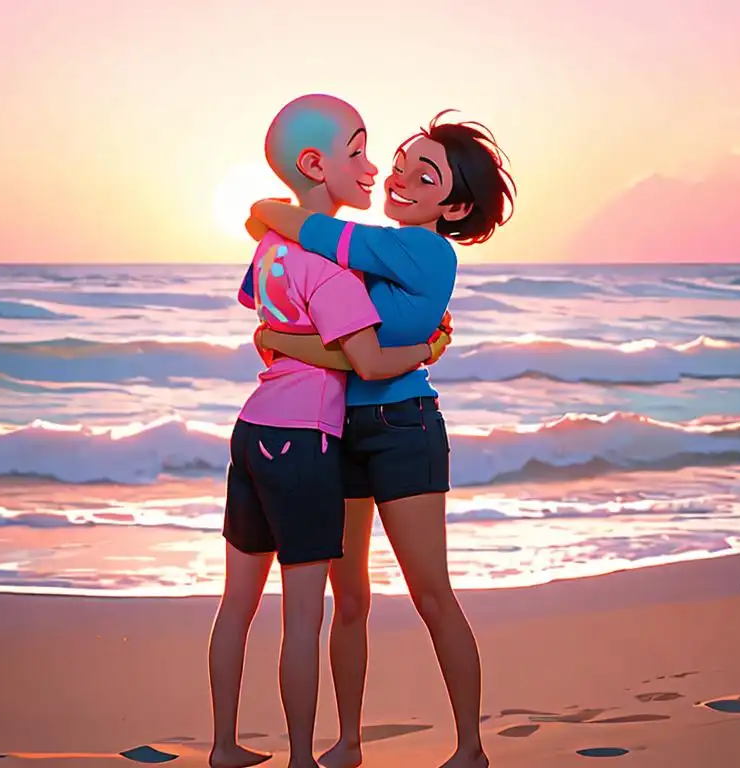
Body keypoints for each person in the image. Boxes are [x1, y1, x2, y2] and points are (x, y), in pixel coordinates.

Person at [243, 111, 516, 768]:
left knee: (431, 594)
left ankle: (471, 749)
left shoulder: (424, 249)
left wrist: (275, 331)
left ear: (452, 204)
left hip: (402, 430)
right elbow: (333, 317)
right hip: (338, 428)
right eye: (400, 164)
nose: (400, 179)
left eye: (425, 176)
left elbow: (354, 352)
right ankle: (350, 742)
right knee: (352, 599)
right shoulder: (375, 249)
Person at [208, 94, 453, 768]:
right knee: (304, 615)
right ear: (315, 163)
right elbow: (367, 360)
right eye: (358, 154)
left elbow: (260, 312)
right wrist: (428, 349)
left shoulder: (268, 246)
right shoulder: (334, 266)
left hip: (251, 430)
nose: (373, 170)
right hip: (307, 441)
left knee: (236, 604)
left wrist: (273, 333)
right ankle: (300, 760)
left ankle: (224, 746)